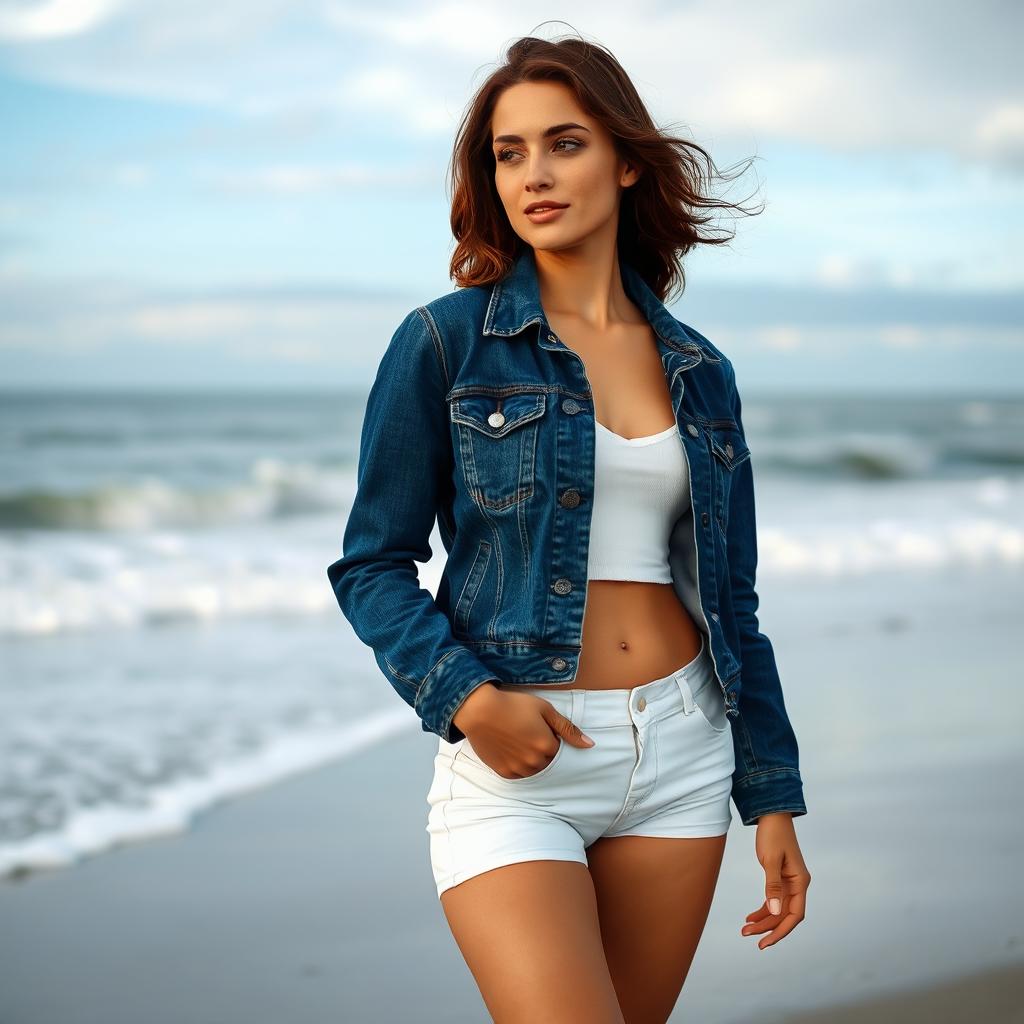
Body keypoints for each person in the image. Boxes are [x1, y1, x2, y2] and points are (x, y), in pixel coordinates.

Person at [327, 32, 810, 1024]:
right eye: (508, 154)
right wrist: (466, 699)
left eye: (564, 143)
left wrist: (771, 791)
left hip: (683, 752)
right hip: (518, 759)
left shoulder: (699, 368)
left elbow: (732, 602)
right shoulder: (444, 341)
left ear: (626, 161)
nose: (533, 175)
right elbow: (371, 563)